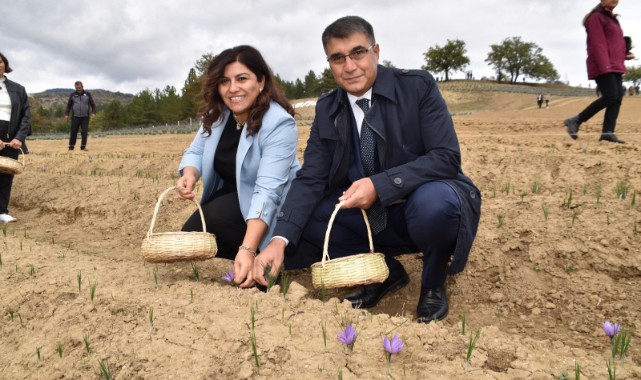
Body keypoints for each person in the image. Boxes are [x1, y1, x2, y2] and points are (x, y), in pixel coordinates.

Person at [252, 16, 481, 323]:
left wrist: (380, 185)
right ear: (329, 63)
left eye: (358, 53)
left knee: (435, 204)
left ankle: (433, 283)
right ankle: (384, 272)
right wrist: (279, 240)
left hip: (420, 207)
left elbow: (446, 158)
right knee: (309, 217)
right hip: (370, 219)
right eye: (337, 58)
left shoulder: (417, 87)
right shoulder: (327, 108)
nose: (349, 66)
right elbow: (312, 177)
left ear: (376, 51)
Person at [177, 45, 300, 288]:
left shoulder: (278, 123)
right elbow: (196, 151)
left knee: (215, 217)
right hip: (235, 198)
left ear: (261, 81)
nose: (233, 88)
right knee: (190, 237)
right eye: (224, 81)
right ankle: (246, 260)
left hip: (274, 209)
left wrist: (248, 248)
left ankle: (267, 258)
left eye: (242, 78)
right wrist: (189, 174)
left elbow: (267, 191)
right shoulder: (219, 115)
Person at [564, 0, 635, 144]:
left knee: (617, 97)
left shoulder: (612, 18)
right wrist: (605, 67)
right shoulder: (596, 17)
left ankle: (608, 132)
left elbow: (613, 43)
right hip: (604, 64)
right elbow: (598, 44)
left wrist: (625, 53)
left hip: (615, 64)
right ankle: (576, 120)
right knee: (610, 96)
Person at [0, 52, 31, 223]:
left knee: (6, 173)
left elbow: (26, 115)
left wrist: (19, 137)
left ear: (5, 64)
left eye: (0, 62)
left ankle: (2, 212)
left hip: (11, 137)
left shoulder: (18, 89)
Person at [65, 81, 96, 151]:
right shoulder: (72, 95)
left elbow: (93, 105)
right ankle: (71, 147)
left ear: (82, 86)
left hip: (85, 117)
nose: (78, 89)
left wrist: (93, 113)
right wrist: (66, 114)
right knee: (73, 132)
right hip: (75, 117)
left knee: (84, 132)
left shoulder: (87, 94)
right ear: (75, 87)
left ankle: (83, 147)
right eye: (77, 88)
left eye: (79, 87)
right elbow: (69, 106)